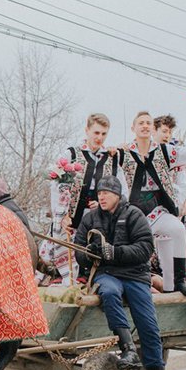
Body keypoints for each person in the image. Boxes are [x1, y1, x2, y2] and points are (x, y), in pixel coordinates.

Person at [74, 175, 178, 370]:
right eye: (99, 193)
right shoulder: (90, 218)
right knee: (109, 292)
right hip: (106, 274)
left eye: (106, 193)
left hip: (135, 276)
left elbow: (145, 248)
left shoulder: (134, 215)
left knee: (150, 328)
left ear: (117, 196)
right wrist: (88, 254)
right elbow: (78, 250)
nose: (101, 197)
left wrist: (112, 252)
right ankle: (128, 348)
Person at [117, 109, 186, 296]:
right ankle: (133, 283)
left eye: (148, 123)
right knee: (134, 245)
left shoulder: (165, 152)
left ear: (152, 128)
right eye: (140, 123)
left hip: (157, 210)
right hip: (133, 213)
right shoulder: (122, 154)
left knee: (177, 229)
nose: (144, 126)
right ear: (133, 127)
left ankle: (179, 281)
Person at [45, 113, 128, 285]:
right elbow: (56, 185)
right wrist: (61, 215)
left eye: (104, 134)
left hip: (98, 213)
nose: (99, 138)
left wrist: (107, 203)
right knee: (64, 238)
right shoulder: (72, 154)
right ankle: (61, 272)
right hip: (71, 210)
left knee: (95, 236)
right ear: (87, 130)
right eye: (96, 133)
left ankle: (88, 271)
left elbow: (122, 190)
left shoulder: (112, 158)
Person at [153, 114, 186, 208]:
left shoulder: (175, 156)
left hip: (167, 205)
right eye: (164, 131)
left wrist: (175, 204)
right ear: (154, 131)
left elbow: (183, 185)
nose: (167, 136)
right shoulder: (140, 151)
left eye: (170, 132)